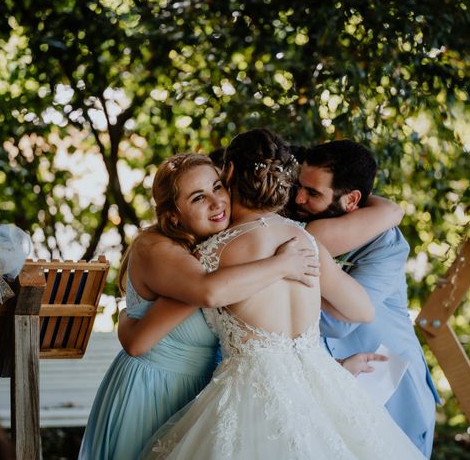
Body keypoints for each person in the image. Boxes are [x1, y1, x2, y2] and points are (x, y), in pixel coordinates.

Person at [140, 128, 424, 459]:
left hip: (249, 396)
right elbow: (362, 310)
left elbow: (158, 328)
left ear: (228, 172)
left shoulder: (210, 255)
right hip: (318, 388)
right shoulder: (307, 241)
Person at [78, 153, 320, 460]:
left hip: (199, 389)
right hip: (153, 391)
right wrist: (281, 264)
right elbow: (147, 336)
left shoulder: (211, 247)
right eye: (197, 197)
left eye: (217, 187)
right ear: (175, 215)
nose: (216, 202)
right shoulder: (164, 250)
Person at [290, 139, 441, 458]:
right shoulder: (294, 222)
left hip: (389, 385)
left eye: (313, 193)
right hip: (328, 384)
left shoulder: (385, 242)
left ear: (351, 200)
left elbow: (337, 323)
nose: (299, 197)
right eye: (299, 187)